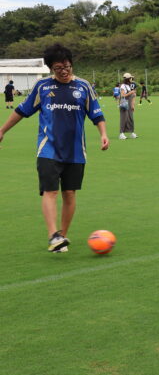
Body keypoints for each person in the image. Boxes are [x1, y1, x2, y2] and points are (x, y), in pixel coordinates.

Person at [0, 43, 109, 252]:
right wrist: (2, 130)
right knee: (50, 192)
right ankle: (53, 235)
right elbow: (22, 110)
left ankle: (61, 237)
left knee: (70, 193)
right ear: (51, 68)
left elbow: (96, 114)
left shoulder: (84, 86)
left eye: (67, 66)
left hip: (76, 151)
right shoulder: (42, 87)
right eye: (58, 68)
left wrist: (103, 134)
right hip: (48, 149)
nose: (64, 71)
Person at [119, 73, 137, 139]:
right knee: (124, 118)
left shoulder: (128, 86)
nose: (131, 79)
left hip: (129, 104)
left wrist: (132, 105)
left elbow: (132, 96)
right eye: (130, 78)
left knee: (130, 118)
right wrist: (131, 92)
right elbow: (123, 95)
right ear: (128, 79)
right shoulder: (123, 86)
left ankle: (132, 132)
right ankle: (121, 133)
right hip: (124, 104)